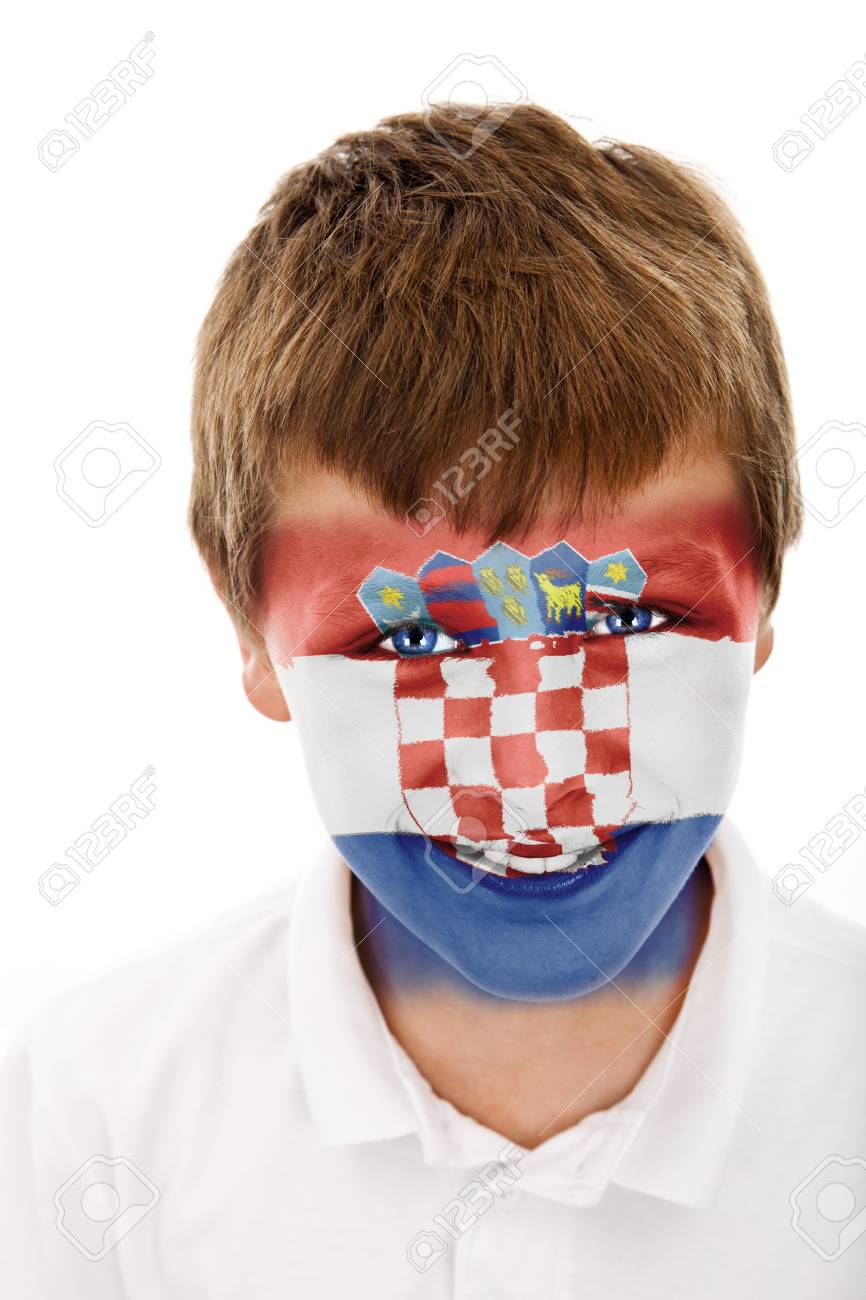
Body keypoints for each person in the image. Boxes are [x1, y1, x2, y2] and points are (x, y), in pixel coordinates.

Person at [3, 103, 864, 1298]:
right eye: (411, 635)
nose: (533, 774)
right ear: (251, 632)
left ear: (762, 595)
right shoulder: (92, 1110)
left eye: (624, 621)